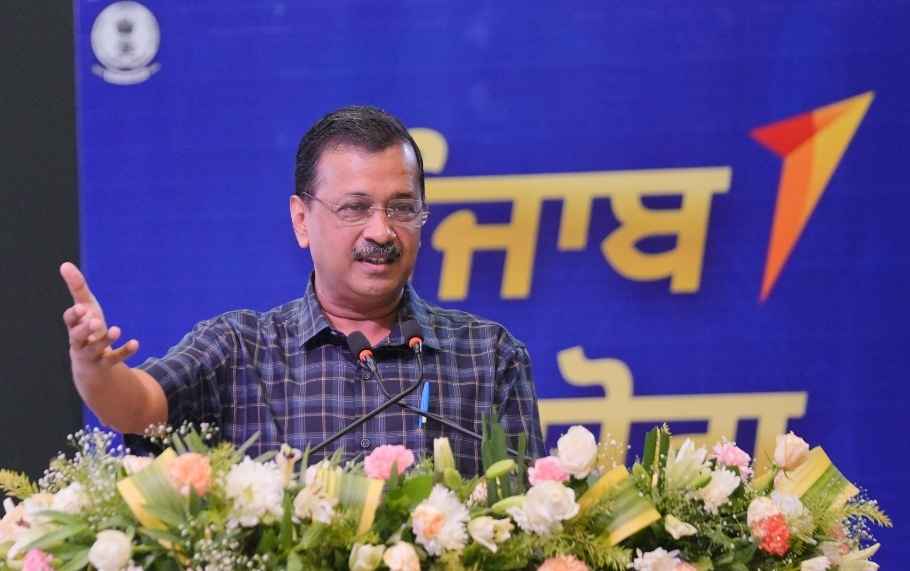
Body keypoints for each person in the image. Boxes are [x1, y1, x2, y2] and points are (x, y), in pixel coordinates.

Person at [60, 105, 544, 475]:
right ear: (301, 220)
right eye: (355, 209)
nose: (381, 231)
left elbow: (524, 526)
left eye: (401, 208)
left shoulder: (489, 355)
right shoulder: (240, 349)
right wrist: (95, 369)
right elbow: (139, 408)